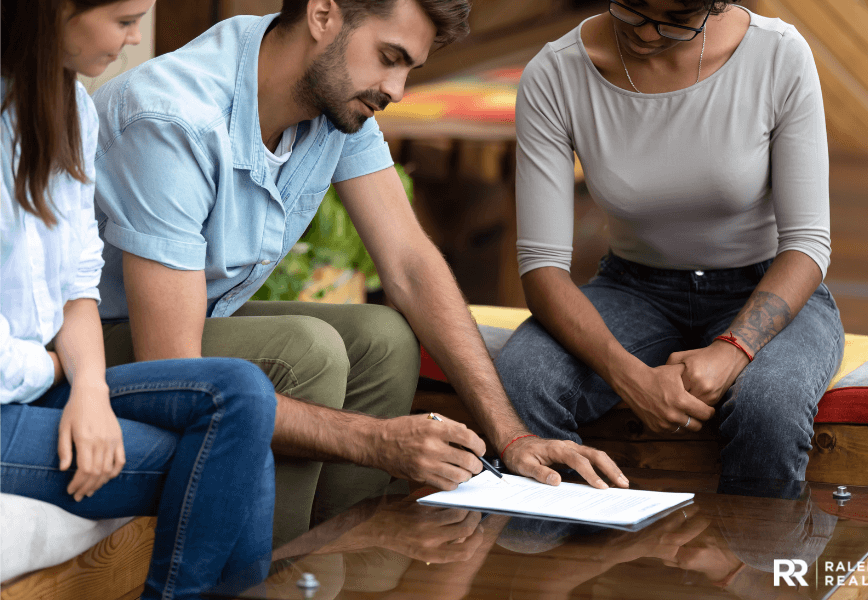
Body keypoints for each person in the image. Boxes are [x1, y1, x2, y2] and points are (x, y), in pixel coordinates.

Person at [88, 0, 630, 544]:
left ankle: (340, 562)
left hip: (187, 324)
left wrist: (510, 436)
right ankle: (272, 578)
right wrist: (374, 441)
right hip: (90, 352)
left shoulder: (331, 99)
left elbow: (411, 265)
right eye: (389, 57)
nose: (396, 89)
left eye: (408, 69)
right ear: (323, 15)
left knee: (384, 338)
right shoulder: (174, 117)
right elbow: (169, 362)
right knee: (305, 349)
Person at [495, 0, 843, 481]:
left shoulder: (779, 55)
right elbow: (542, 267)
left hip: (766, 284)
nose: (648, 34)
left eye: (676, 21)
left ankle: (754, 555)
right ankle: (578, 540)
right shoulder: (556, 73)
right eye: (632, 8)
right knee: (521, 381)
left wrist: (732, 350)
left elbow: (807, 244)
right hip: (632, 287)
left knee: (770, 405)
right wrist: (629, 377)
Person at [0, 2, 278, 598]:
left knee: (242, 394)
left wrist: (92, 393)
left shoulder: (67, 108)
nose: (132, 41)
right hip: (8, 395)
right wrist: (59, 372)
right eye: (124, 19)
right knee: (242, 457)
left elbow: (78, 282)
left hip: (37, 383)